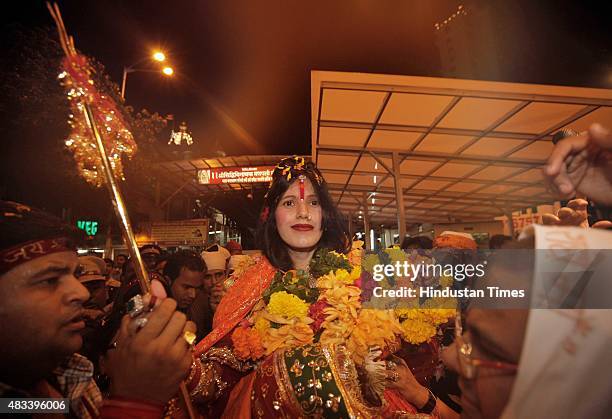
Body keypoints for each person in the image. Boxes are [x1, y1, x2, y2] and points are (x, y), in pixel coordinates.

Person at [172, 157, 437, 418]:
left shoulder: (365, 273)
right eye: (289, 202)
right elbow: (218, 378)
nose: (303, 212)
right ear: (271, 215)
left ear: (325, 215)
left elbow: (417, 356)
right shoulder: (247, 286)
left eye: (313, 202)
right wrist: (182, 364)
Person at [0, 200, 195, 418]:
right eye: (50, 280)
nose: (81, 293)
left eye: (75, 275)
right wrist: (134, 402)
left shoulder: (67, 377)